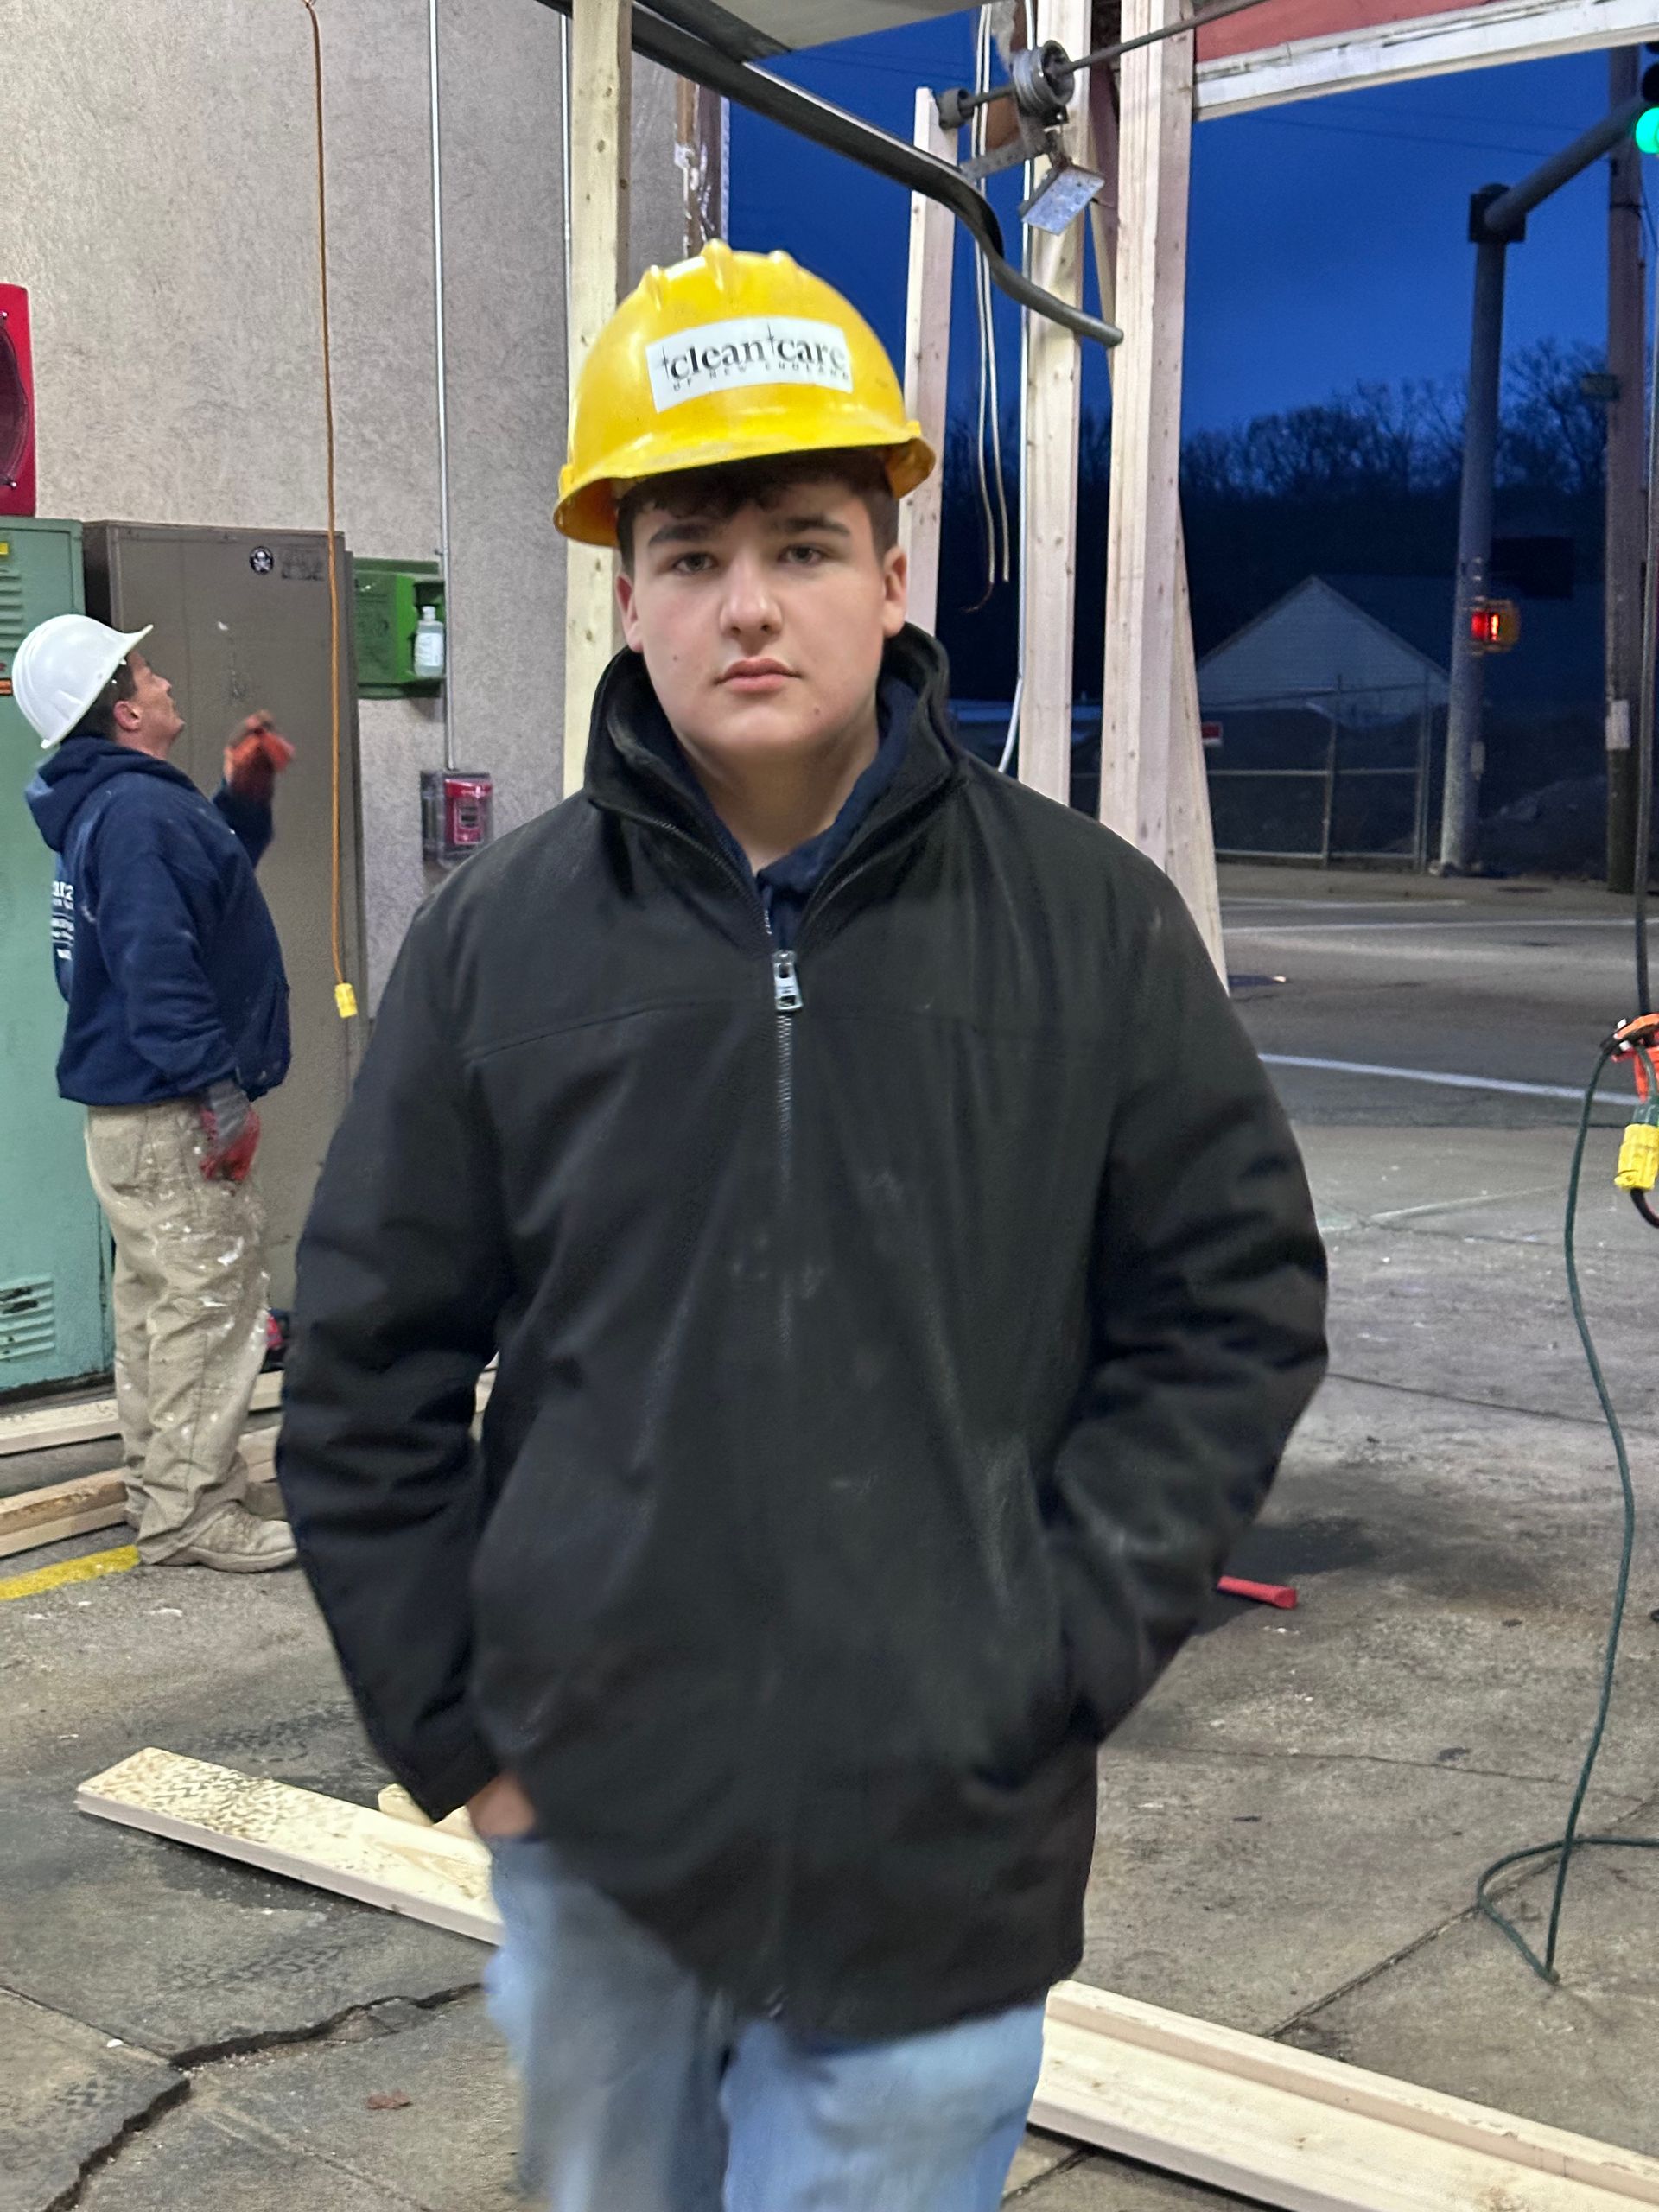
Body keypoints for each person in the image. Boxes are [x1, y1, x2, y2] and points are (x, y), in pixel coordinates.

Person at [277, 242, 1327, 2212]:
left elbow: (1230, 1307)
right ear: (625, 587)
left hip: (936, 1858)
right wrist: (460, 1732)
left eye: (802, 539)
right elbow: (368, 1356)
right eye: (690, 550)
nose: (748, 598)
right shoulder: (501, 939)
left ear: (893, 569)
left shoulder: (1086, 929)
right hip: (593, 1844)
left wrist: (1053, 1648)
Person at [17, 613, 297, 1573]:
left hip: (134, 1109)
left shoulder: (116, 803)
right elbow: (154, 961)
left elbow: (195, 889)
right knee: (207, 1299)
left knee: (156, 1305)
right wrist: (217, 1093)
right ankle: (190, 1514)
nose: (167, 675)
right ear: (126, 708)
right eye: (147, 667)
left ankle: (169, 1483)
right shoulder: (134, 812)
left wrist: (244, 799)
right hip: (169, 1108)